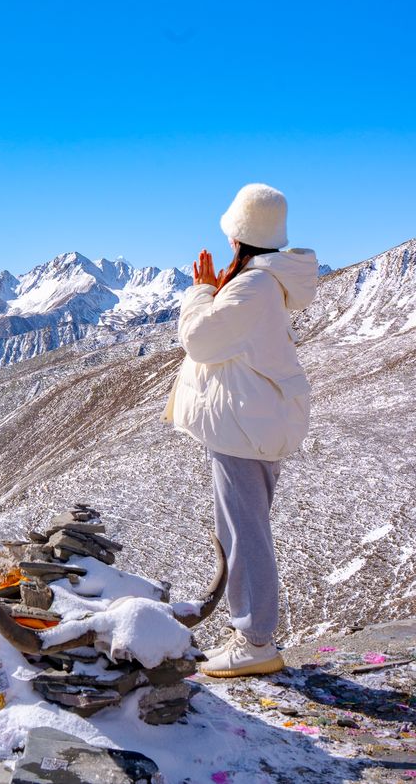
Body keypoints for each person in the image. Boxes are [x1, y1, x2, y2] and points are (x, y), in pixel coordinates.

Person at [161, 182, 318, 677]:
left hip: (244, 428)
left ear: (238, 235)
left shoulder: (252, 287)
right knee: (241, 527)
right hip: (249, 422)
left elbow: (200, 340)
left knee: (245, 530)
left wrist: (201, 290)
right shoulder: (260, 283)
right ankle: (249, 631)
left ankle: (255, 640)